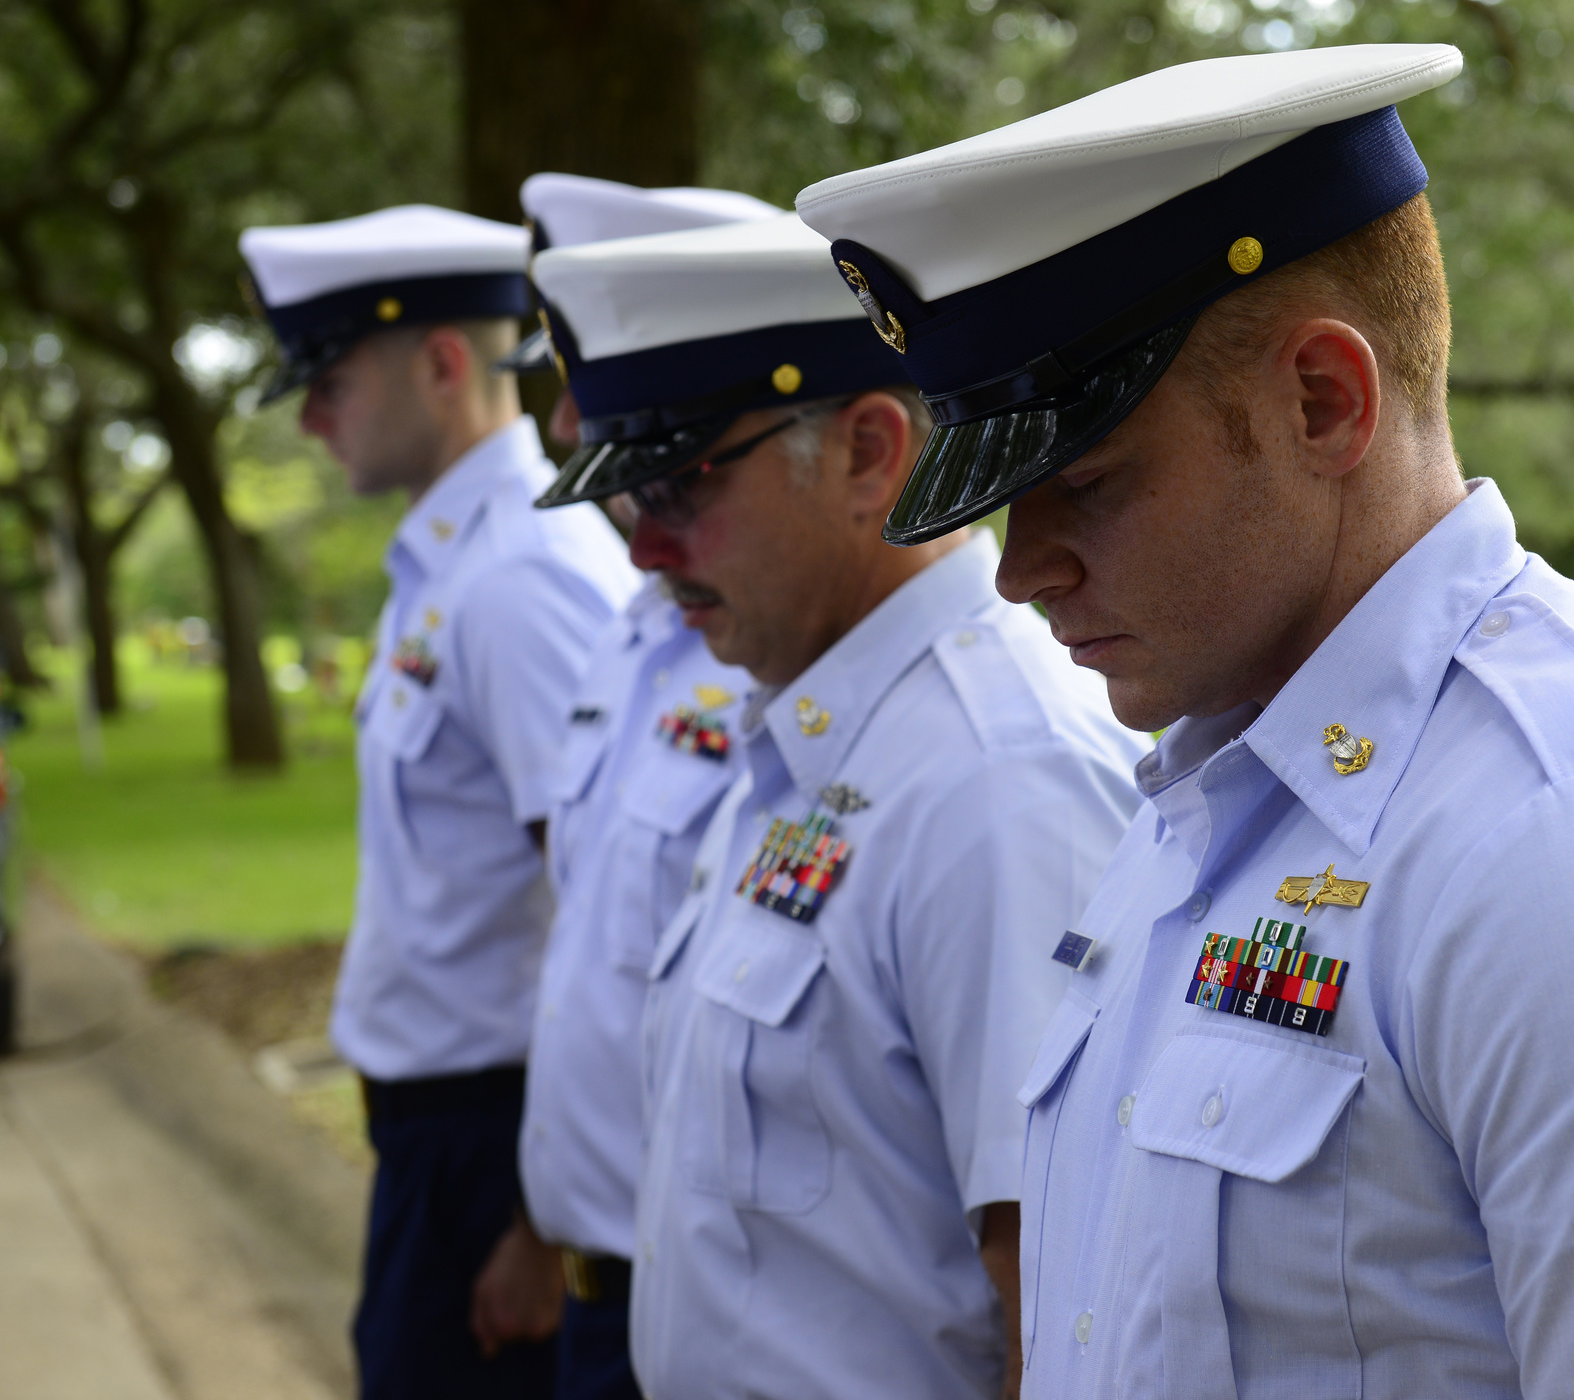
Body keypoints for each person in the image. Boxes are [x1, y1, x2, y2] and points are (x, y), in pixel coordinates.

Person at [796, 43, 1574, 1398]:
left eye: (1085, 483)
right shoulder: (1224, 781)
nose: (1019, 567)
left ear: (1322, 401)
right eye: (1003, 502)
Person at [528, 212, 1151, 1399]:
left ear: (869, 450)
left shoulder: (996, 778)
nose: (643, 550)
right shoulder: (815, 720)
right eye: (627, 499)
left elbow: (1054, 1306)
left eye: (674, 483)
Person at [240, 205, 640, 1399]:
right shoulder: (456, 561)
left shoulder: (517, 577)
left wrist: (538, 1220)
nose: (310, 418)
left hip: (494, 1148)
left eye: (330, 382)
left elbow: (606, 913)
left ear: (444, 362)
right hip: (448, 1140)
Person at [494, 176, 776, 1400]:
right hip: (610, 1284)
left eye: (590, 375)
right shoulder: (641, 622)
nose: (565, 420)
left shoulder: (765, 639)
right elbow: (594, 968)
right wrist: (539, 1215)